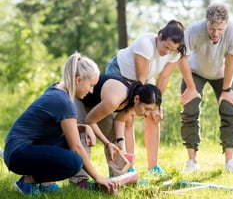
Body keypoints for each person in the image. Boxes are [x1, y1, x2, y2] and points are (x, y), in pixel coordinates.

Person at [3, 52, 118, 196]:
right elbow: (76, 147)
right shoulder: (63, 101)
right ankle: (27, 182)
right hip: (17, 154)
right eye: (91, 85)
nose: (91, 91)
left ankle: (46, 183)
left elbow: (64, 129)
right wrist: (98, 178)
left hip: (17, 149)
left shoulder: (58, 89)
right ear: (78, 80)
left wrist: (84, 127)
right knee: (74, 162)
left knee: (69, 141)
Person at [105, 20, 200, 175]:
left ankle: (153, 168)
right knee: (129, 118)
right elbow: (140, 83)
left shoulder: (175, 52)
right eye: (166, 47)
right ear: (160, 36)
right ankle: (129, 168)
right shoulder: (145, 44)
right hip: (120, 73)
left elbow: (163, 78)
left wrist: (156, 107)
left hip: (144, 78)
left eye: (172, 49)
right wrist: (142, 106)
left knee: (154, 116)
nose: (167, 52)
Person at [179, 3, 233, 174]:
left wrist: (226, 90)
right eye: (212, 28)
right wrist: (191, 88)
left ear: (227, 24)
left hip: (223, 74)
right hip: (195, 72)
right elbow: (182, 59)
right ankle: (192, 162)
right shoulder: (194, 31)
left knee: (228, 110)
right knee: (190, 111)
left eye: (220, 29)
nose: (215, 33)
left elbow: (231, 61)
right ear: (206, 22)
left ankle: (230, 162)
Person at [70, 74, 162, 187]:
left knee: (113, 136)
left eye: (150, 110)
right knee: (84, 134)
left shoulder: (132, 101)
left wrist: (120, 142)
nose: (147, 114)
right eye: (147, 109)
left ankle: (119, 178)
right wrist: (107, 143)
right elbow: (89, 121)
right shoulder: (116, 99)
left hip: (96, 104)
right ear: (137, 99)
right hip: (78, 97)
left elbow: (119, 120)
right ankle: (79, 181)